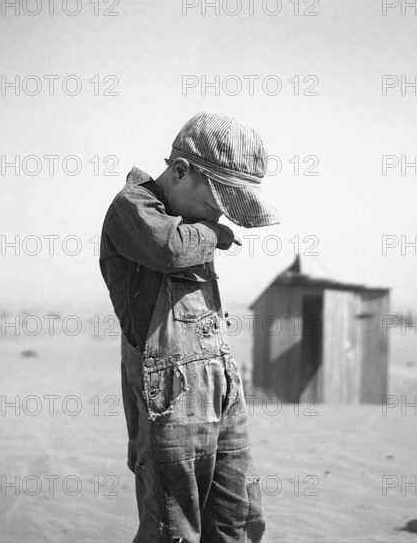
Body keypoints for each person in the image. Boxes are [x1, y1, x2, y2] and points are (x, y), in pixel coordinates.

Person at [99, 112, 280, 543]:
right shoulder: (133, 207)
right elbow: (170, 247)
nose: (220, 217)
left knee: (237, 516)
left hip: (220, 386)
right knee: (172, 526)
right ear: (180, 171)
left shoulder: (185, 219)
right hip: (171, 397)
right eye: (216, 202)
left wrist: (207, 228)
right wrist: (214, 235)